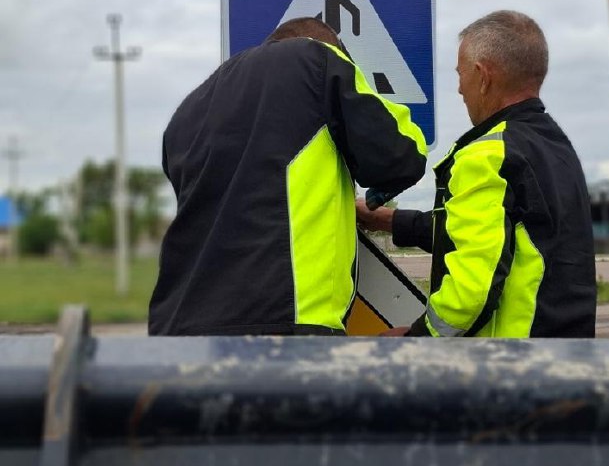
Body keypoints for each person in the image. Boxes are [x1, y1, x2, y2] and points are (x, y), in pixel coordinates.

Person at [150, 17, 427, 336]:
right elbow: (402, 155)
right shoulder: (317, 58)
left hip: (178, 329)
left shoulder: (190, 107)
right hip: (283, 325)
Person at [357, 10, 596, 338]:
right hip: (566, 358)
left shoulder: (487, 155)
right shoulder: (557, 148)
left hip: (506, 370)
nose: (459, 89)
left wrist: (417, 341)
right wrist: (387, 220)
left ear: (483, 77)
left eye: (461, 74)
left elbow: (472, 290)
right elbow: (493, 235)